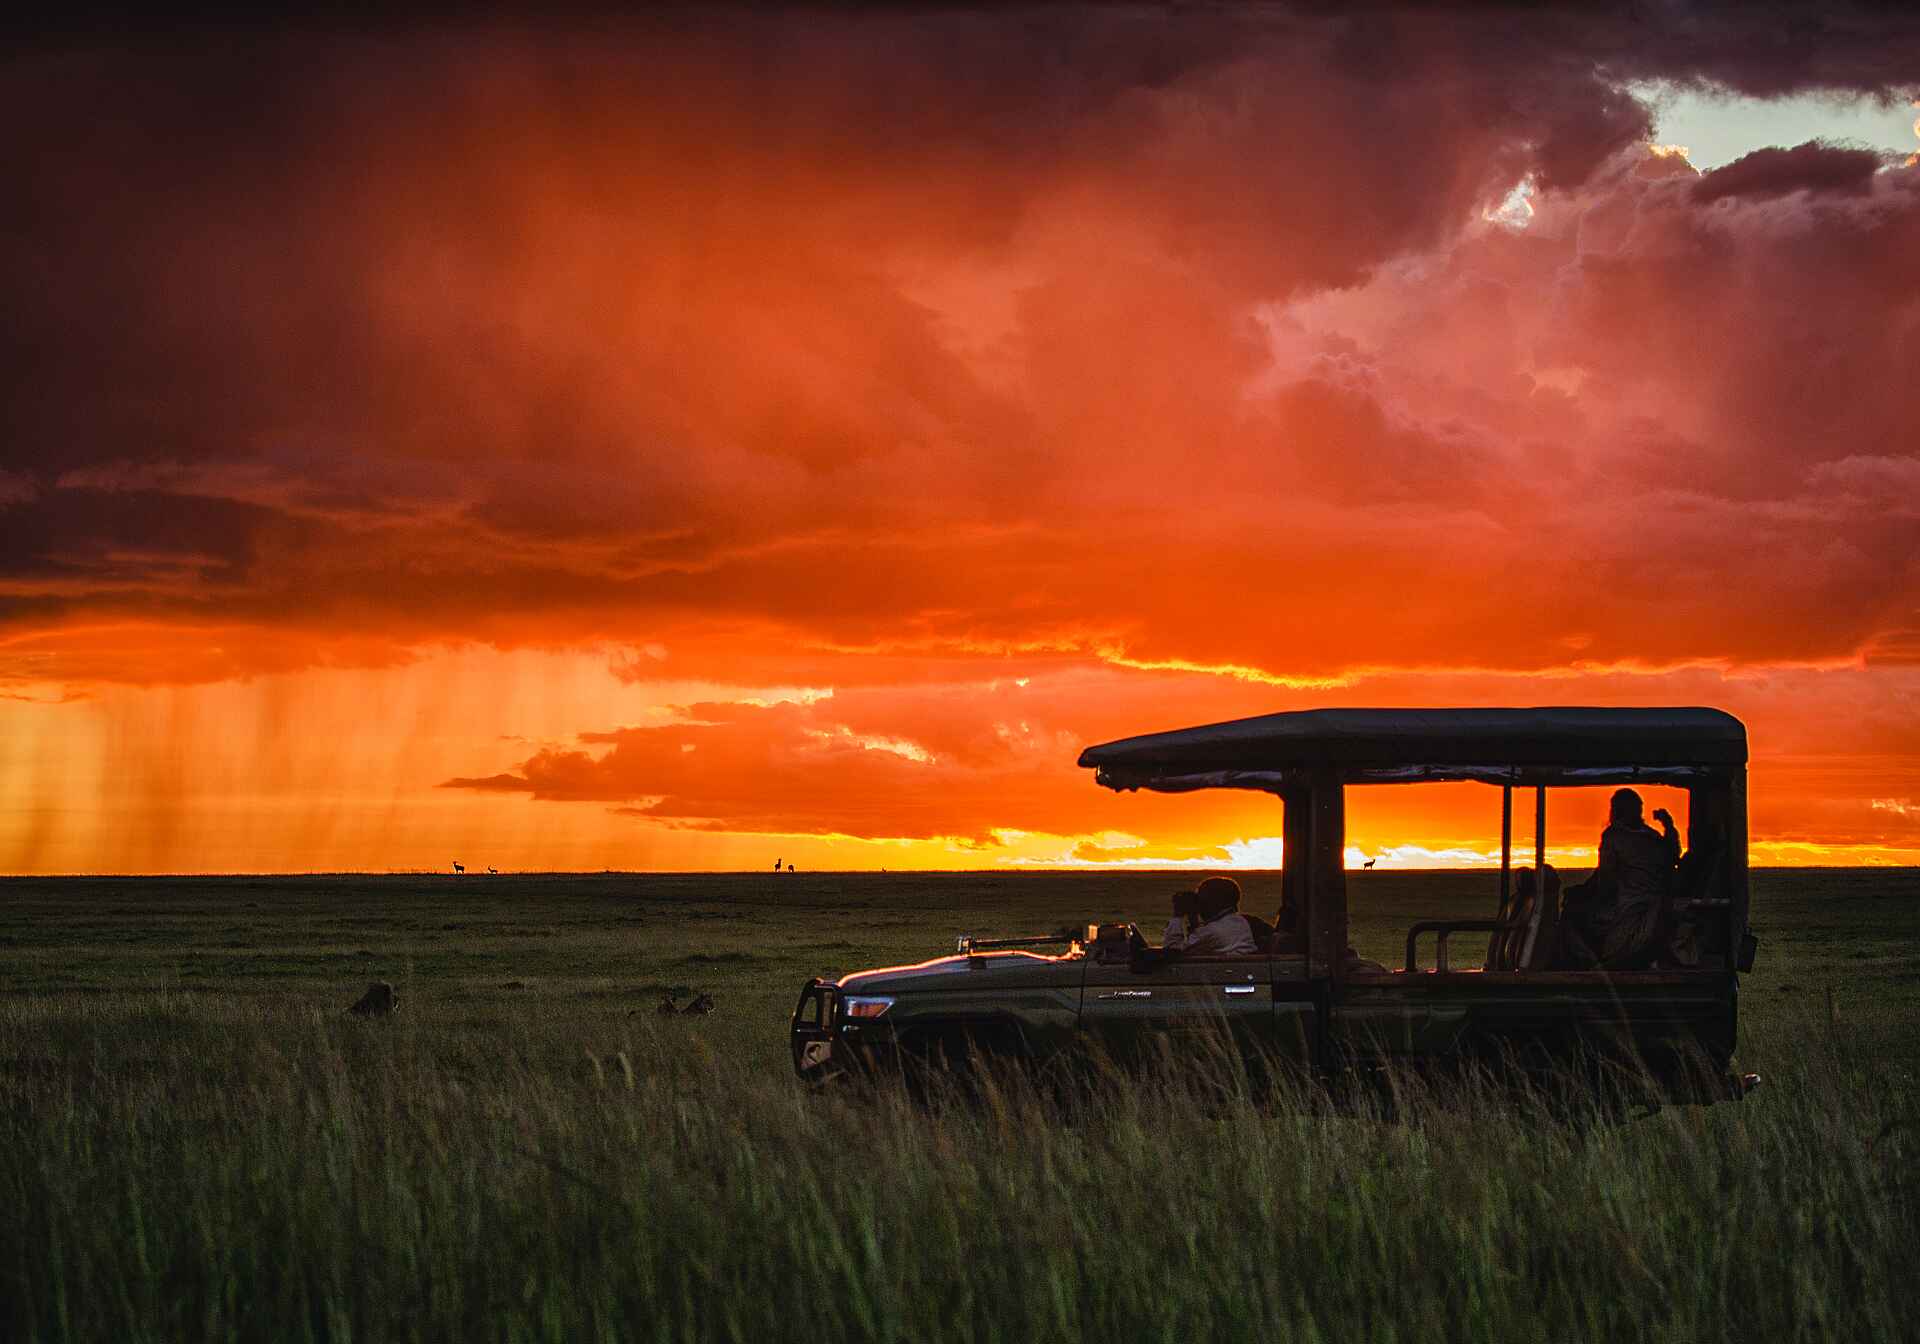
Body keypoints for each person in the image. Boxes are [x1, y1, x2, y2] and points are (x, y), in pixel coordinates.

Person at [1559, 788, 1679, 969]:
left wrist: (1584, 894)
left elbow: (1605, 881)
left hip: (1628, 906)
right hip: (1649, 903)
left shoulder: (1614, 836)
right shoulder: (1652, 836)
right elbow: (1671, 858)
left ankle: (1588, 966)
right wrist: (1668, 827)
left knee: (1572, 917)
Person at [1163, 876, 1258, 955]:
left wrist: (1177, 915)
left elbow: (1172, 951)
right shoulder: (1240, 921)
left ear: (1215, 902)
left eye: (1202, 898)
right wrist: (1193, 917)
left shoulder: (1212, 931)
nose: (1199, 902)